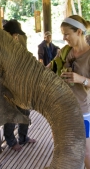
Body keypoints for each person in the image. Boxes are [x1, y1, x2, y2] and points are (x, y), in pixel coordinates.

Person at [48, 15, 90, 169]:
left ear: (79, 32)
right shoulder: (65, 51)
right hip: (61, 108)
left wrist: (81, 79)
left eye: (67, 34)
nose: (64, 38)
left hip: (82, 110)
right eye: (62, 34)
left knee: (85, 151)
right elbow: (50, 68)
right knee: (63, 147)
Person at [3, 19, 36, 151]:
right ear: (7, 34)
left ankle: (23, 137)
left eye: (17, 35)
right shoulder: (1, 46)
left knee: (25, 111)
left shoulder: (18, 43)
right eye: (14, 34)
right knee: (11, 114)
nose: (16, 37)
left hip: (22, 84)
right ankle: (11, 141)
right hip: (8, 85)